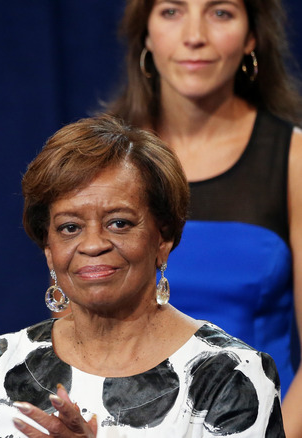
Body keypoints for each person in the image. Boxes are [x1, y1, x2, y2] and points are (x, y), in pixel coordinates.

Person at [0, 115, 284, 437]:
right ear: (48, 249)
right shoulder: (0, 362)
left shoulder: (229, 375)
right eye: (70, 227)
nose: (94, 244)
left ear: (163, 238)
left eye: (119, 223)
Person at [107, 0, 302, 434]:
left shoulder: (294, 158)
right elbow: (77, 326)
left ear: (252, 36)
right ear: (146, 34)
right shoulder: (102, 161)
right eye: (173, 11)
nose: (194, 35)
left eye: (221, 13)